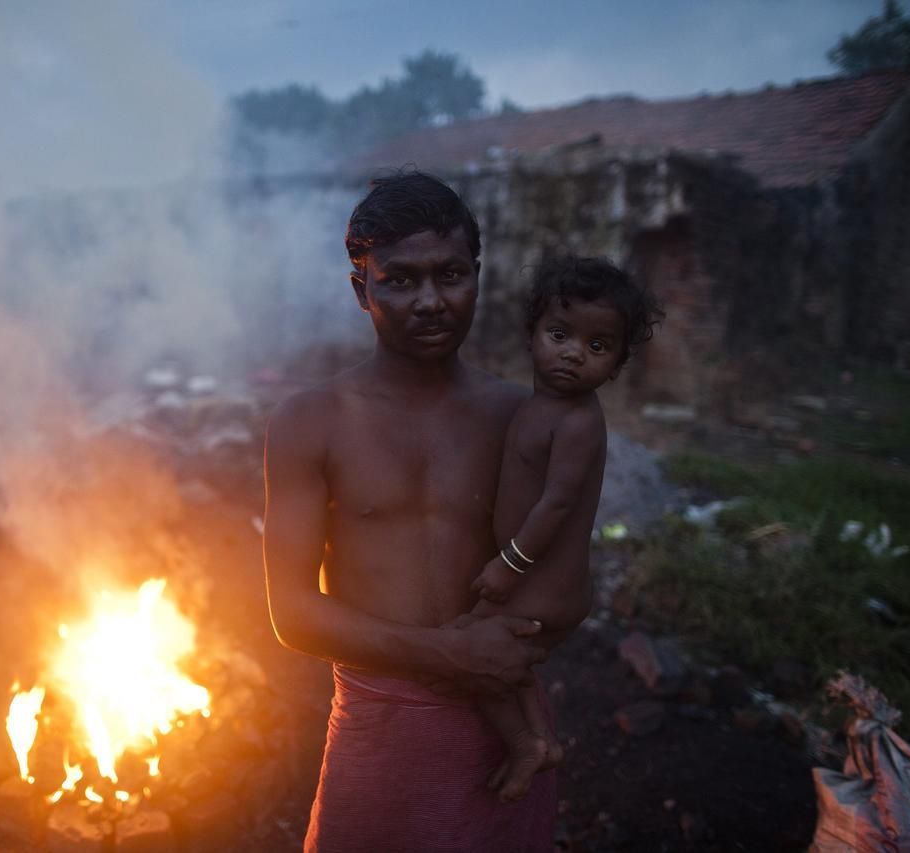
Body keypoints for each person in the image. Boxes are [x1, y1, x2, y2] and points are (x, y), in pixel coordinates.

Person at [262, 172, 578, 852]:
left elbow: (565, 573)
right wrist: (451, 652)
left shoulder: (518, 417)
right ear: (361, 290)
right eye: (400, 280)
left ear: (477, 277)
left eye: (450, 275)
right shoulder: (310, 421)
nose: (430, 301)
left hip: (499, 730)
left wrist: (521, 645)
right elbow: (290, 611)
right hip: (379, 728)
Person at [467, 255, 664, 803]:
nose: (575, 353)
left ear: (618, 364)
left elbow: (555, 506)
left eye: (598, 347)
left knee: (468, 650)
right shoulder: (541, 405)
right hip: (540, 583)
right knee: (514, 661)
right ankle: (541, 739)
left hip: (542, 587)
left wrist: (507, 566)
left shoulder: (577, 421)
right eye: (560, 334)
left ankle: (523, 743)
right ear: (532, 334)